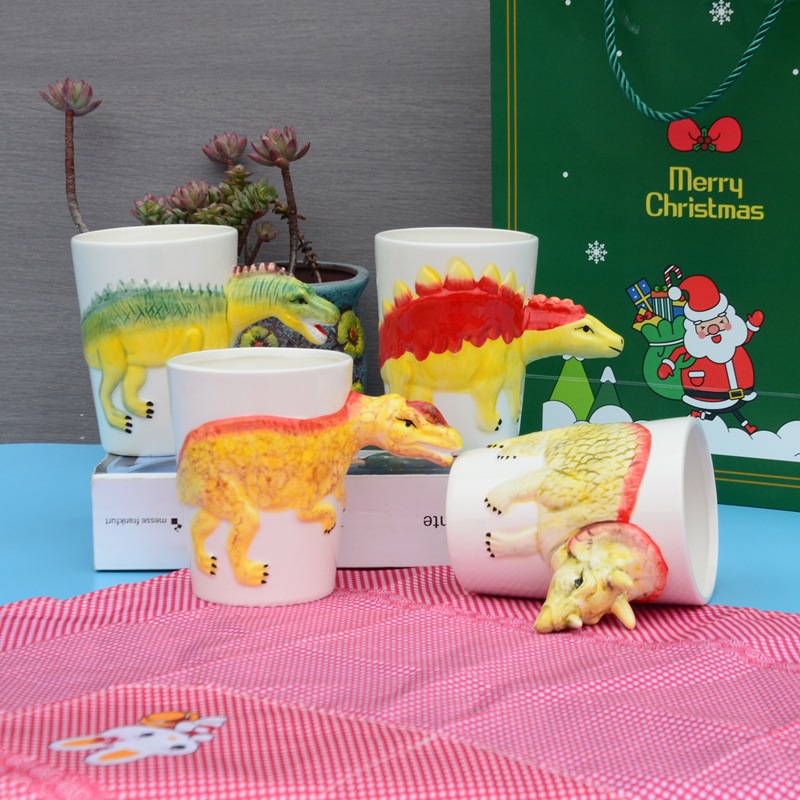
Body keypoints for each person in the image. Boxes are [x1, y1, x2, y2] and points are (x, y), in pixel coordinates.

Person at [657, 274, 763, 434]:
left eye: (720, 322)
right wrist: (668, 364)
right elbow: (679, 351)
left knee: (733, 408)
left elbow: (743, 336)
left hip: (739, 392)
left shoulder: (734, 337)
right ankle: (705, 417)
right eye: (704, 327)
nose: (714, 330)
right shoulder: (695, 346)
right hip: (702, 393)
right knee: (718, 411)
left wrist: (752, 326)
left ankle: (745, 426)